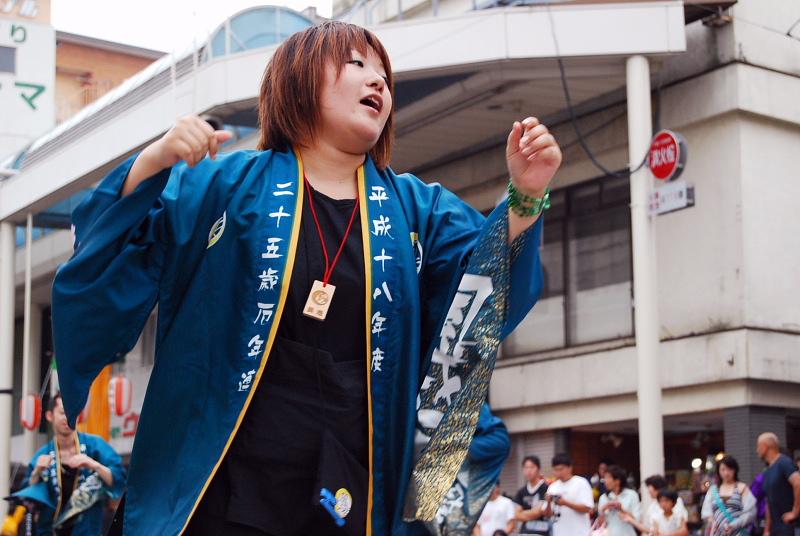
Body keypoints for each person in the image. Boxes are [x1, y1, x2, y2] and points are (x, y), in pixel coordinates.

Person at [51, 21, 560, 536]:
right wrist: (154, 160)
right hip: (224, 480)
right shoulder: (225, 185)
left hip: (354, 481)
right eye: (358, 65)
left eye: (383, 73)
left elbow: (482, 289)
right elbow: (108, 248)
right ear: (298, 82)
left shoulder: (417, 209)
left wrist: (525, 196)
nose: (378, 81)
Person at [20, 394, 126, 535]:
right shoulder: (42, 456)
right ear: (50, 416)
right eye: (63, 413)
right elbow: (28, 501)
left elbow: (119, 478)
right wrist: (37, 473)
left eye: (72, 412)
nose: (68, 417)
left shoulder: (95, 447)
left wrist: (94, 465)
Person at [700, 456, 756, 536]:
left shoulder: (742, 488)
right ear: (718, 471)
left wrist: (735, 524)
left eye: (729, 469)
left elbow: (751, 512)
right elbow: (706, 512)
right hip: (718, 533)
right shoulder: (713, 490)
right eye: (723, 469)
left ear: (735, 470)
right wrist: (713, 522)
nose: (726, 473)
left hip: (738, 533)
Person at [757, 433, 800, 536]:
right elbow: (769, 501)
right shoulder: (767, 471)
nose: (757, 450)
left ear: (765, 446)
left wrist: (795, 512)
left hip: (789, 526)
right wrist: (767, 530)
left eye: (758, 446)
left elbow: (798, 483)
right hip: (775, 528)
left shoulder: (784, 463)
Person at [545, 453, 594, 536]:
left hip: (579, 532)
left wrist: (565, 503)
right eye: (556, 470)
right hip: (559, 532)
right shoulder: (553, 487)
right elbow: (547, 515)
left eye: (561, 469)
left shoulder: (581, 483)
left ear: (570, 468)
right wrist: (549, 502)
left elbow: (588, 508)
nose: (558, 473)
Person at [622, 489, 689, 536]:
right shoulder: (656, 517)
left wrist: (666, 535)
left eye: (666, 501)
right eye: (661, 501)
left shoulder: (679, 516)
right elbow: (656, 533)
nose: (664, 504)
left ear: (673, 502)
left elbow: (684, 531)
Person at [598, 465, 640, 536]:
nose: (605, 481)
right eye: (604, 478)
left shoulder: (632, 495)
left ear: (617, 481)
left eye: (608, 477)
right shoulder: (603, 497)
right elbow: (601, 523)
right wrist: (603, 509)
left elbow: (637, 521)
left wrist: (621, 509)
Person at [513, 455, 550, 535]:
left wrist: (523, 513)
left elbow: (539, 512)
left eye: (532, 467)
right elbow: (516, 515)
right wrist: (532, 513)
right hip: (525, 532)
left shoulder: (546, 488)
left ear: (539, 469)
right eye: (526, 468)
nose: (528, 471)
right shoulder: (521, 492)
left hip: (542, 532)